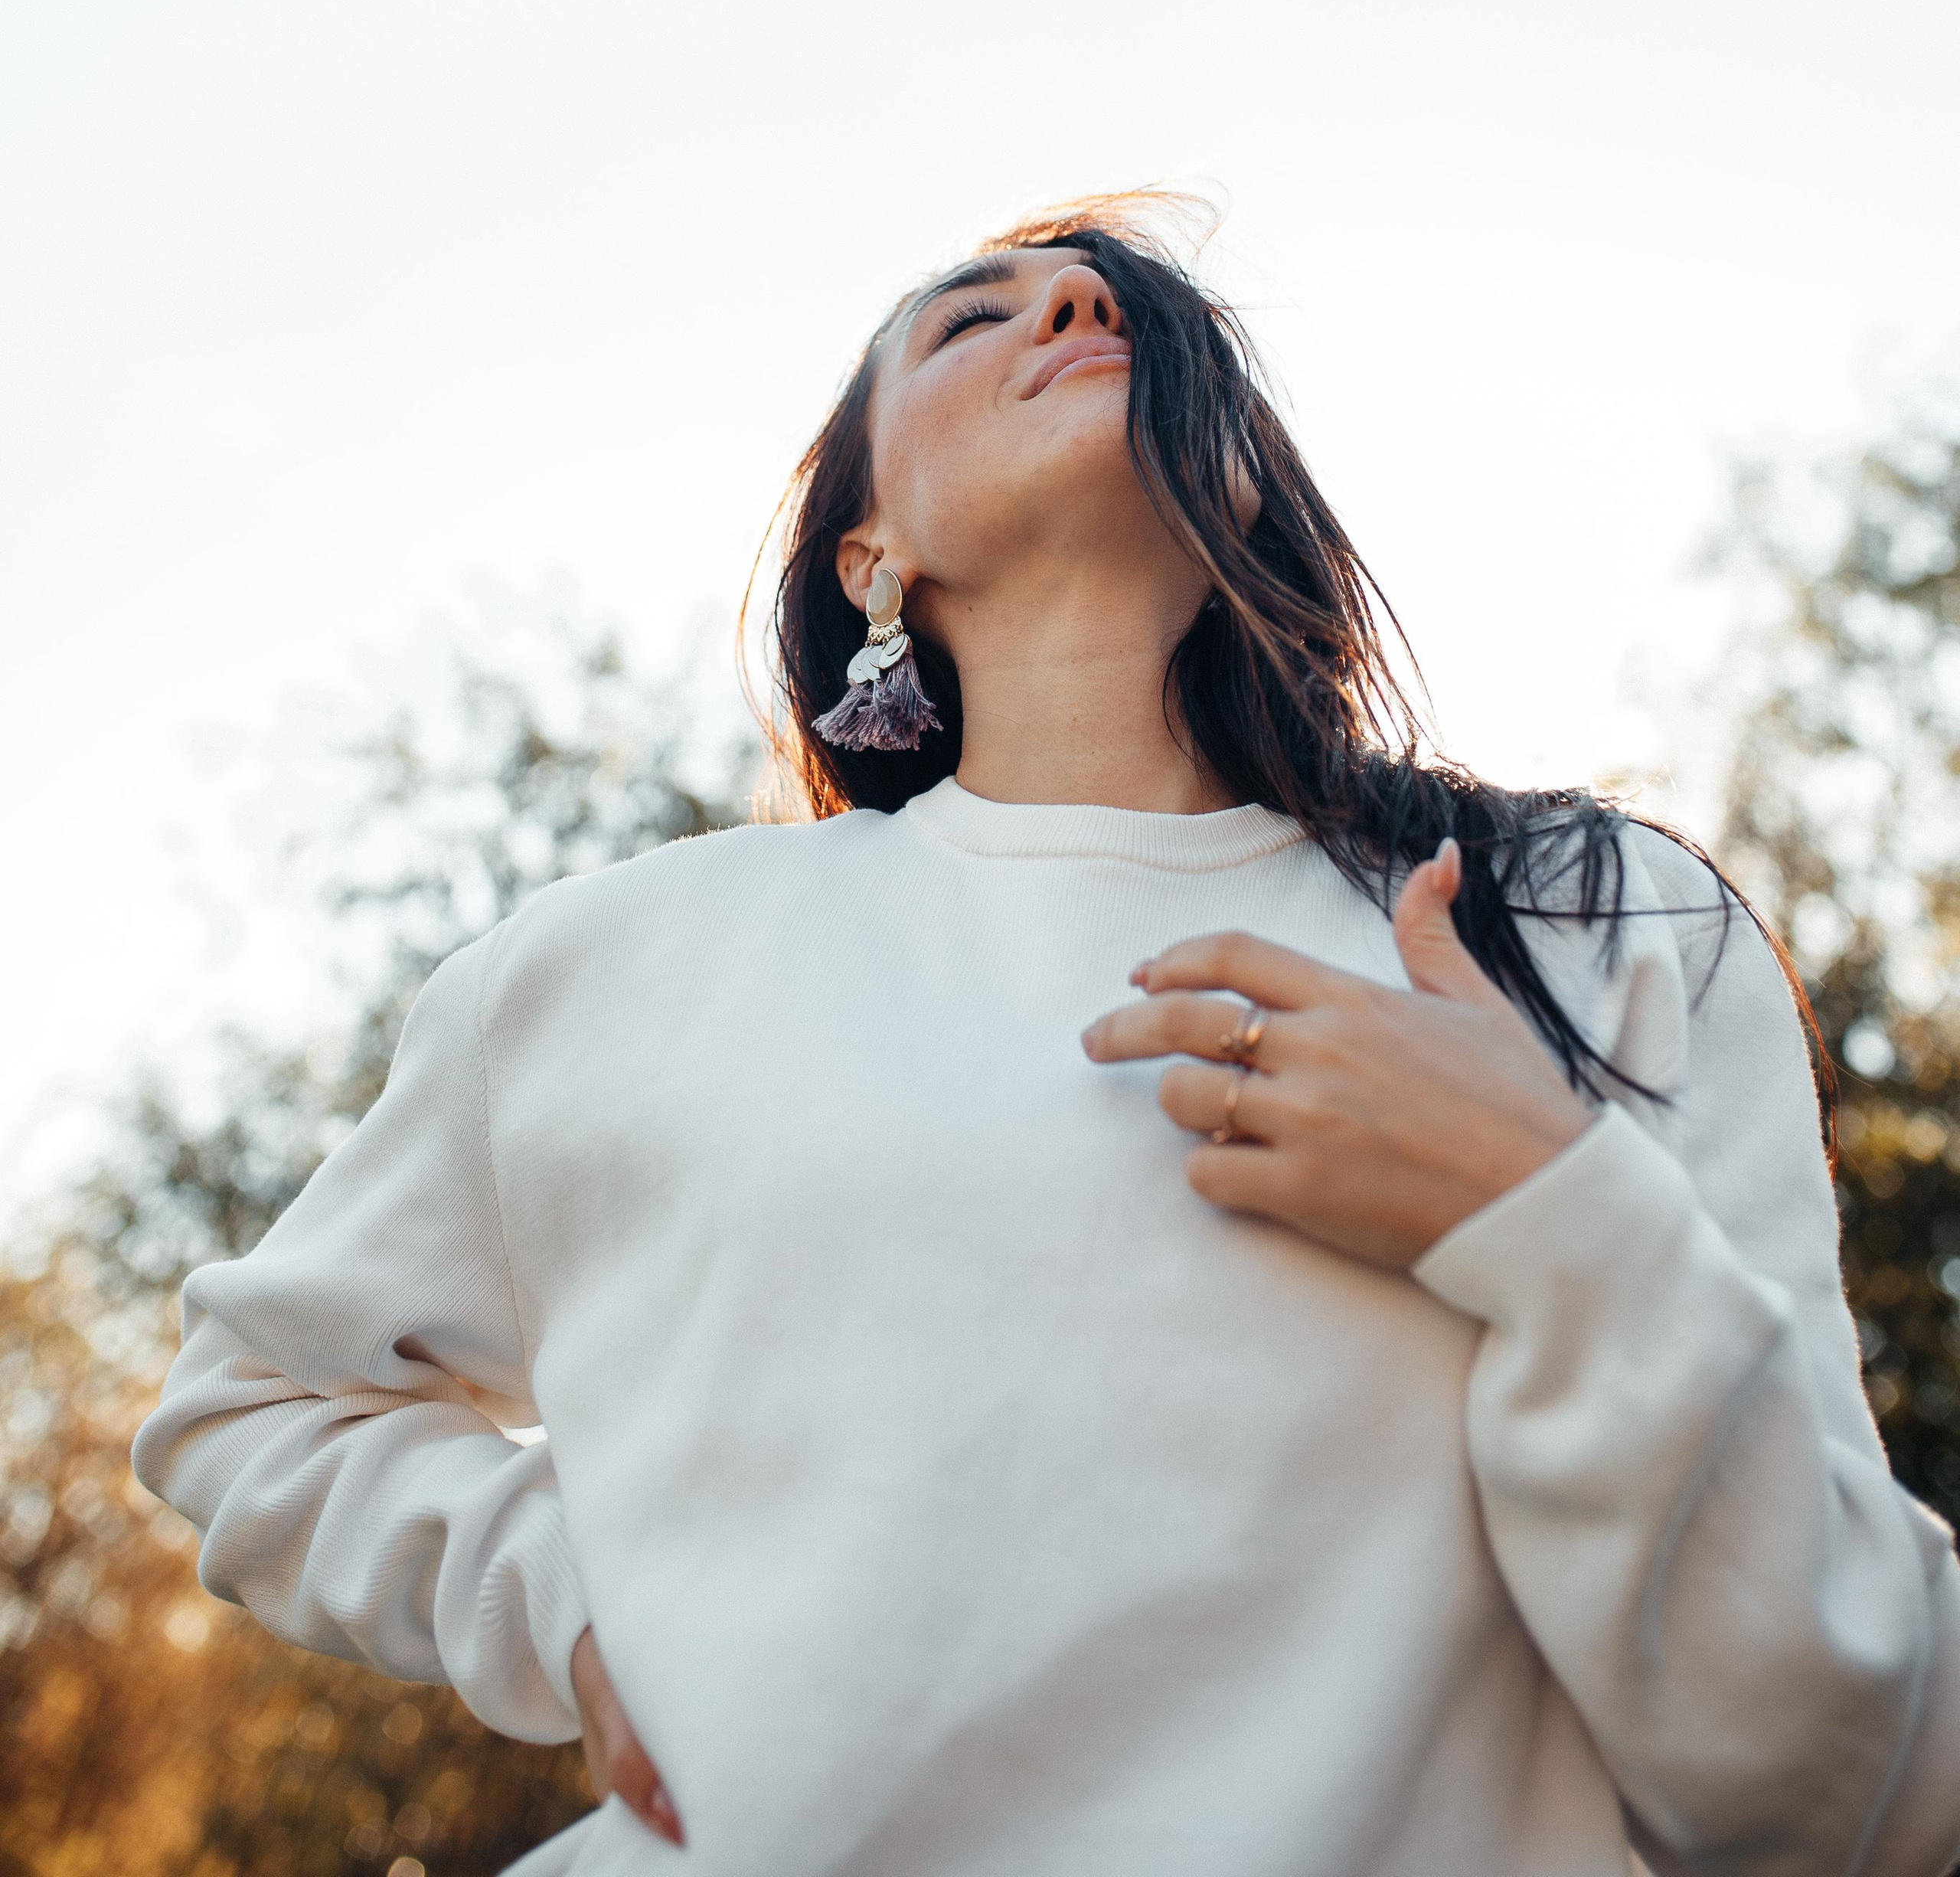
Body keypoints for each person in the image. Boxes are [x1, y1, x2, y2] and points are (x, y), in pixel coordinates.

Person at [135, 196, 1960, 1877]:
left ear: (1241, 483)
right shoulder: (612, 969)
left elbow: (1840, 1778)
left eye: (1124, 315)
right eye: (962, 322)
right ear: (873, 547)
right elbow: (253, 1404)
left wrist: (1551, 1215)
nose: (1078, 305)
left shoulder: (1580, 928)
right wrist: (575, 1597)